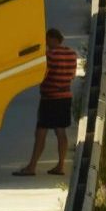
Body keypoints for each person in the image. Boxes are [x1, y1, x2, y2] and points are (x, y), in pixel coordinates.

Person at [15, 27, 80, 176]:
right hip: (65, 97)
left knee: (41, 132)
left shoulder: (49, 55)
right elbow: (73, 76)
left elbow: (42, 74)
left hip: (49, 98)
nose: (45, 42)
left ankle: (31, 167)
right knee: (60, 131)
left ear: (52, 39)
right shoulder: (72, 54)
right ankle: (61, 166)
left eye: (46, 39)